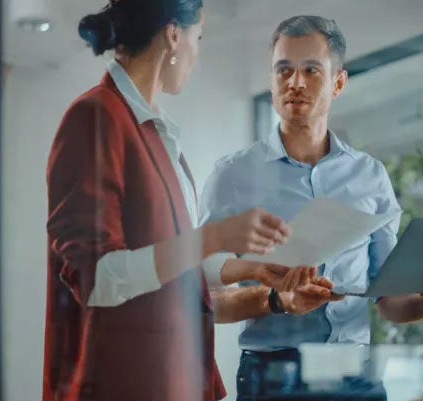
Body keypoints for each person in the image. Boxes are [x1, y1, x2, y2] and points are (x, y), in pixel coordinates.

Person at [43, 2, 336, 401]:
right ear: (173, 35)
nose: (198, 53)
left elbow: (172, 265)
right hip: (123, 383)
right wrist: (214, 236)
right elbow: (97, 278)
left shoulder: (155, 132)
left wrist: (254, 268)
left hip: (174, 378)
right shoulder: (94, 117)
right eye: (199, 37)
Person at [199, 16, 423, 395]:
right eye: (284, 70)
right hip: (274, 377)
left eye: (311, 70)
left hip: (357, 374)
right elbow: (202, 300)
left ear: (338, 83)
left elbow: (387, 298)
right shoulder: (232, 176)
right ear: (271, 81)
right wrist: (277, 300)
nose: (295, 82)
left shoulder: (370, 176)